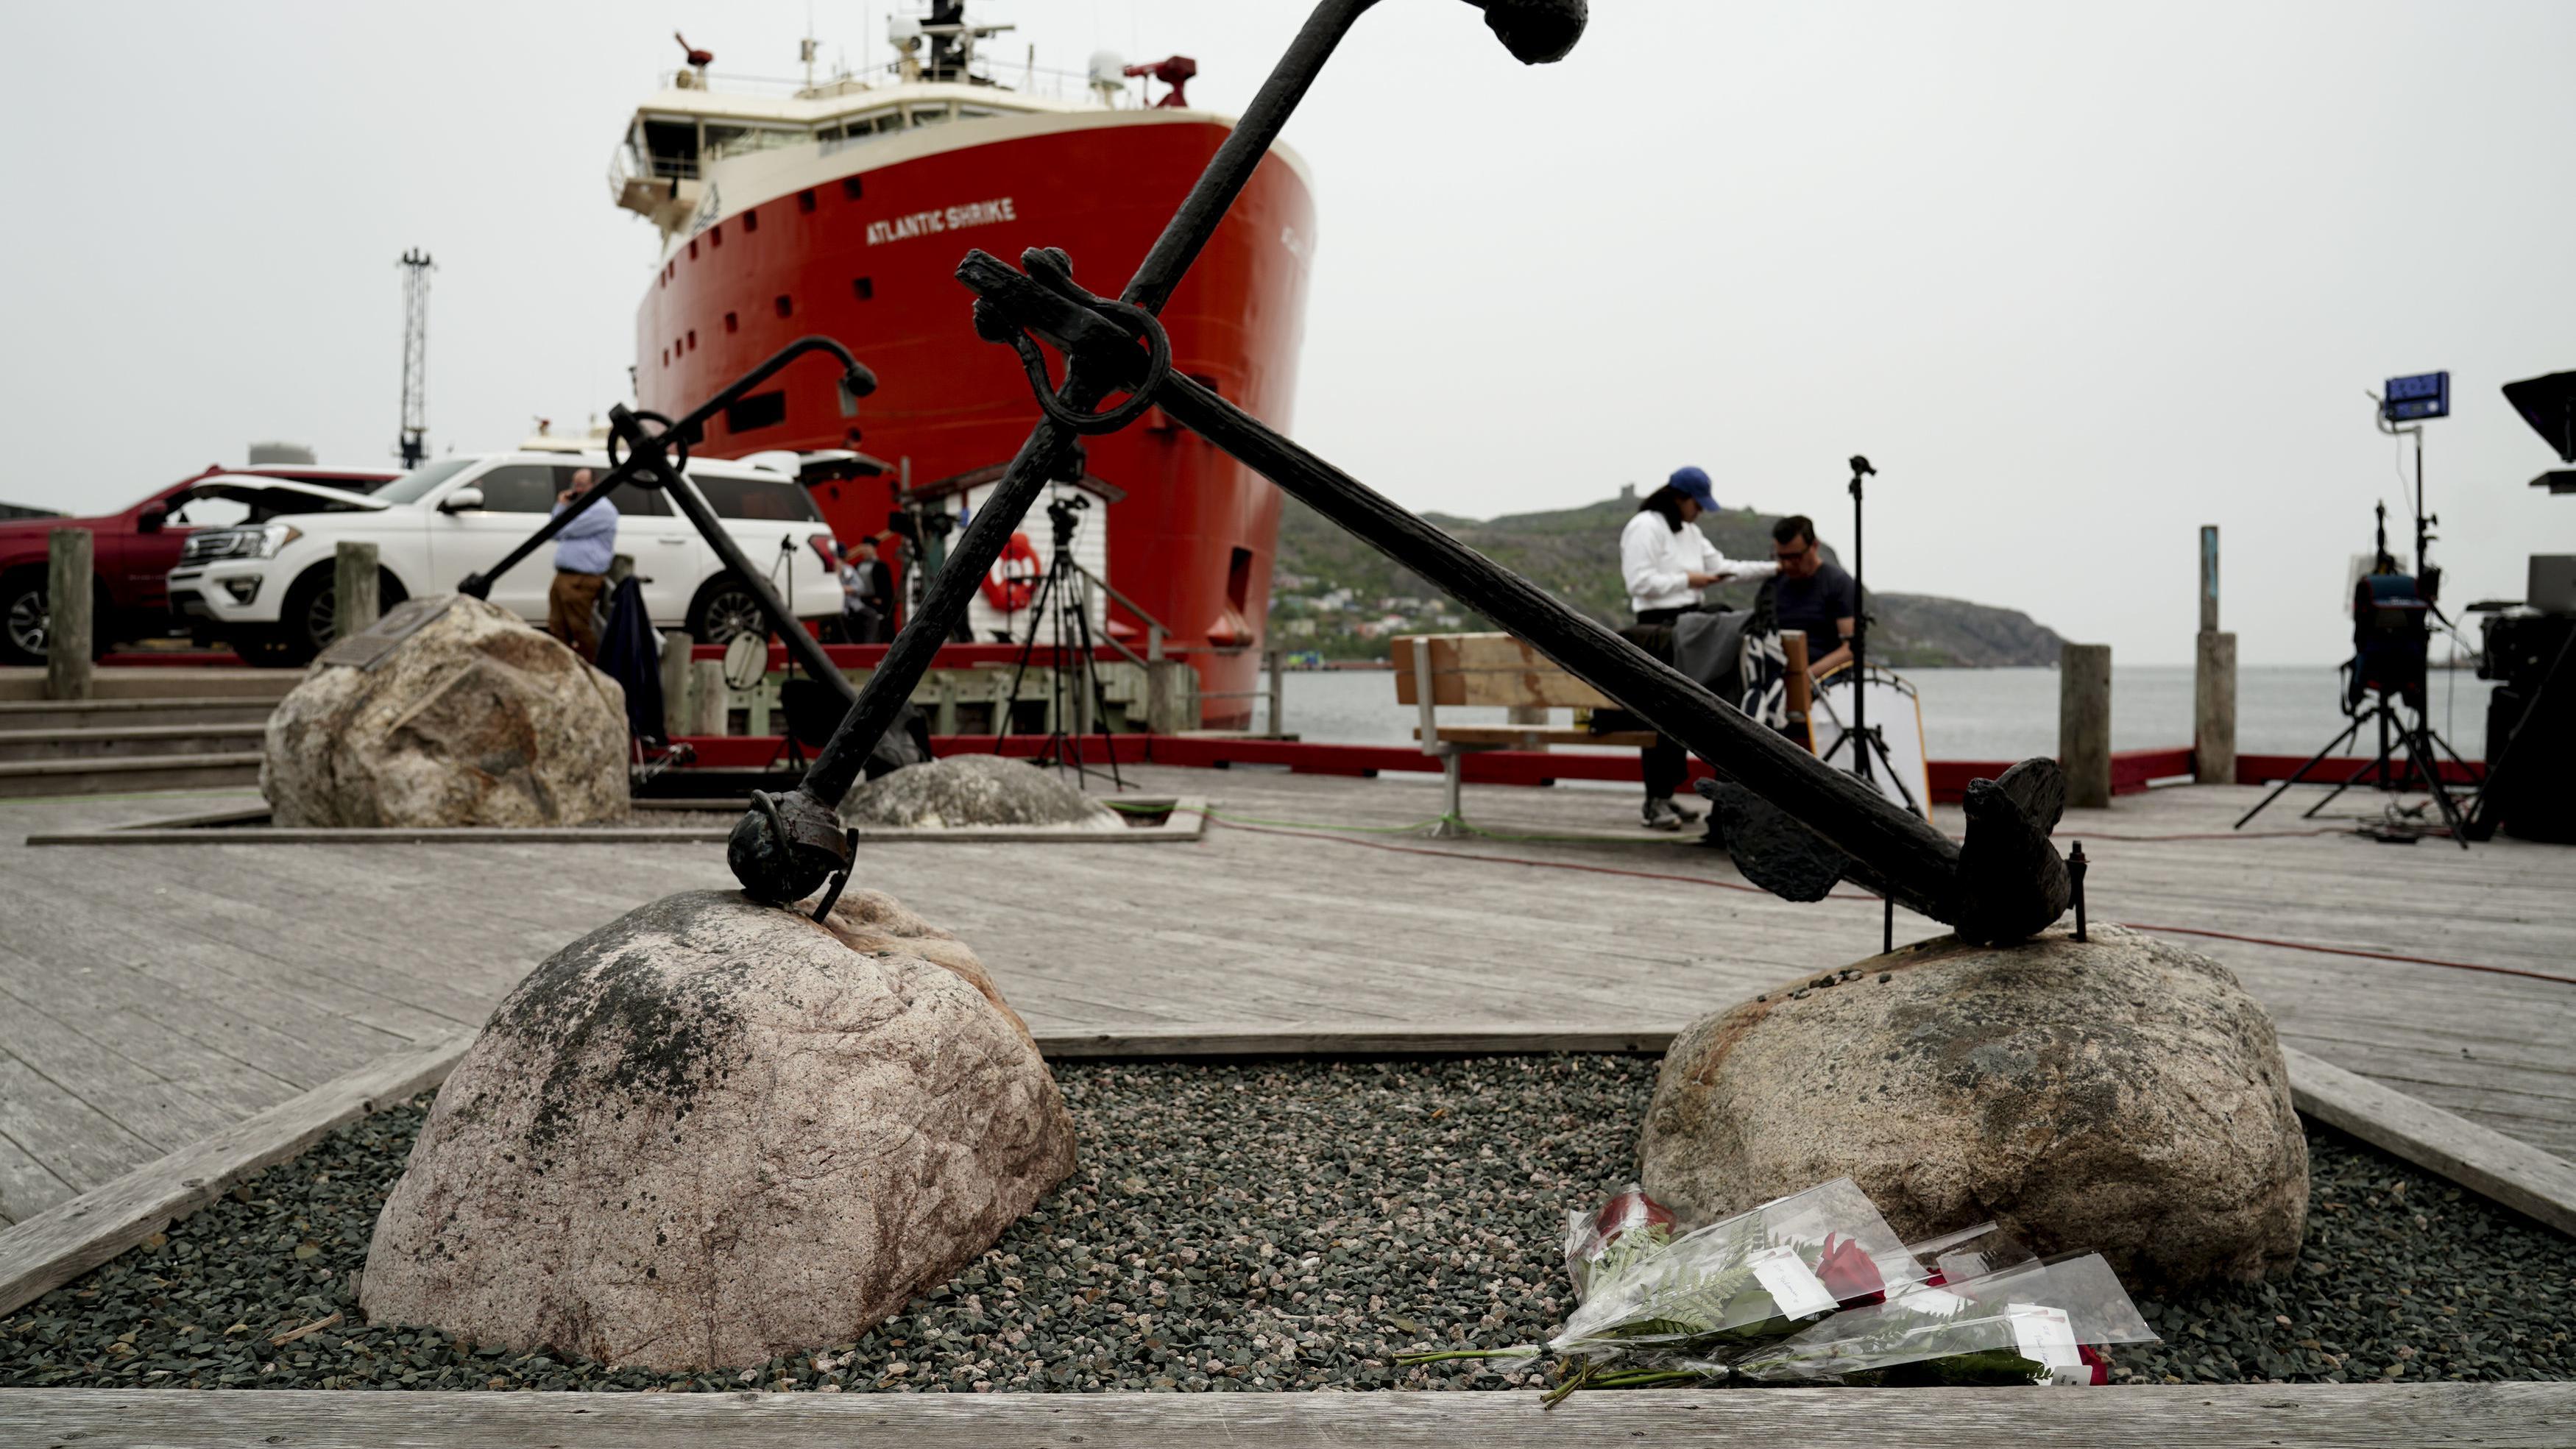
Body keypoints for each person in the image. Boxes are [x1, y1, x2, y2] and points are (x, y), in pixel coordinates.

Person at [1618, 466, 1776, 830]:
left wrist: (1774, 569)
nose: (1700, 511)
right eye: (1697, 504)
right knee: (1661, 710)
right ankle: (1655, 797)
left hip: (1691, 625)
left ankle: (1666, 791)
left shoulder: (1691, 531)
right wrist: (1690, 579)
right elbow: (1638, 583)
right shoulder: (1645, 527)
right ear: (1679, 498)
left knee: (1684, 710)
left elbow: (1723, 567)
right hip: (1656, 627)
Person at [1769, 514, 1856, 692]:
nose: (1788, 565)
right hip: (1781, 675)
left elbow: (1850, 650)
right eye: (1781, 557)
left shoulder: (1839, 584)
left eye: (1795, 557)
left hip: (1826, 679)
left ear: (1814, 546)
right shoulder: (1774, 583)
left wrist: (1804, 677)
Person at [546, 467, 618, 663]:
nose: (576, 489)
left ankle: (592, 666)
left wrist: (562, 507)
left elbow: (561, 529)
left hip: (582, 578)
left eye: (581, 485)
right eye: (574, 484)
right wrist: (563, 507)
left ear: (594, 485)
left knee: (579, 627)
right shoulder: (579, 507)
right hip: (564, 575)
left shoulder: (601, 510)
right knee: (557, 626)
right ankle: (563, 667)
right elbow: (554, 532)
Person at [840, 536, 894, 643]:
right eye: (863, 547)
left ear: (873, 548)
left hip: (875, 600)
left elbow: (887, 588)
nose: (865, 550)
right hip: (859, 600)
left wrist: (881, 599)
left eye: (867, 547)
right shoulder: (857, 566)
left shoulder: (881, 566)